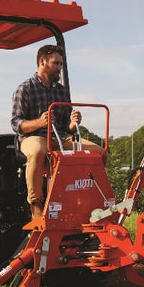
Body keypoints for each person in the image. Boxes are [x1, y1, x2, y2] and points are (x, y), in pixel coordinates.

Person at [11, 44, 105, 218]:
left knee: (99, 153)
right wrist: (39, 122)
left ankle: (87, 200)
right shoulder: (24, 89)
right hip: (33, 137)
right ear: (42, 62)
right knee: (39, 151)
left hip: (60, 137)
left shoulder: (62, 91)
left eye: (61, 64)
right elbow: (16, 124)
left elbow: (66, 125)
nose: (59, 68)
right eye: (56, 64)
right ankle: (35, 204)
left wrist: (73, 121)